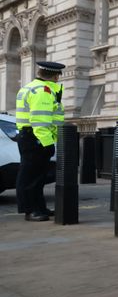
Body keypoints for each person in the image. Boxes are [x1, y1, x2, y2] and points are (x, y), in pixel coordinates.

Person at [14, 61, 65, 222]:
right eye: (58, 76)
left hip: (29, 137)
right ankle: (31, 210)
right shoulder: (42, 91)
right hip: (36, 138)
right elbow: (40, 120)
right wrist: (48, 143)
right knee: (30, 176)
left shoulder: (30, 87)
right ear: (55, 76)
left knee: (36, 176)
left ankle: (39, 207)